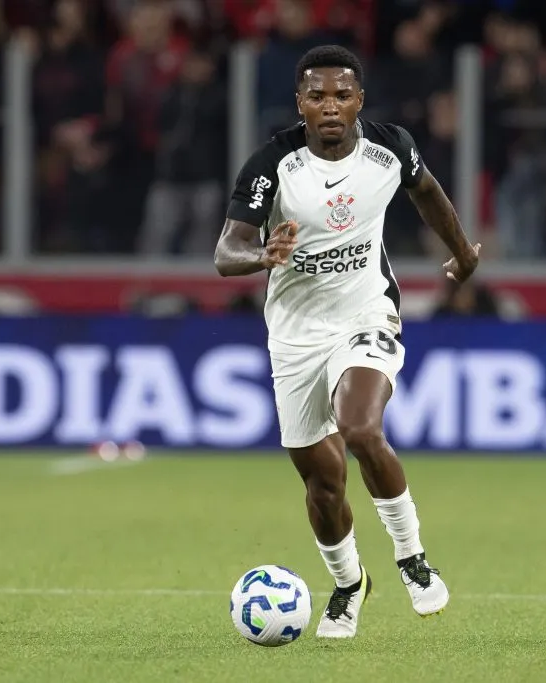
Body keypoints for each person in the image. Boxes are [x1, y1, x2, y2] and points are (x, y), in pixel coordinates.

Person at [214, 45, 480, 639]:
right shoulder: (272, 164)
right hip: (294, 336)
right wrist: (262, 254)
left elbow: (429, 192)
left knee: (360, 427)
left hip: (367, 313)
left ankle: (412, 559)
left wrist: (462, 254)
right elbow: (224, 251)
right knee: (322, 482)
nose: (330, 105)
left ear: (360, 100)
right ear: (300, 105)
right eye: (317, 96)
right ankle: (348, 584)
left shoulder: (391, 149)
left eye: (342, 95)